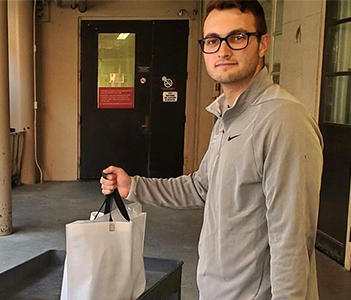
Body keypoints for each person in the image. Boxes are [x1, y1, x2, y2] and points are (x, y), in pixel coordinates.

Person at [101, 1, 323, 299]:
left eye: (238, 37)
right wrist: (135, 186)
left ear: (263, 44)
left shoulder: (282, 120)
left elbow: (292, 239)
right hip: (217, 289)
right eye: (212, 41)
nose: (223, 50)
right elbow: (201, 187)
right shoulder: (227, 117)